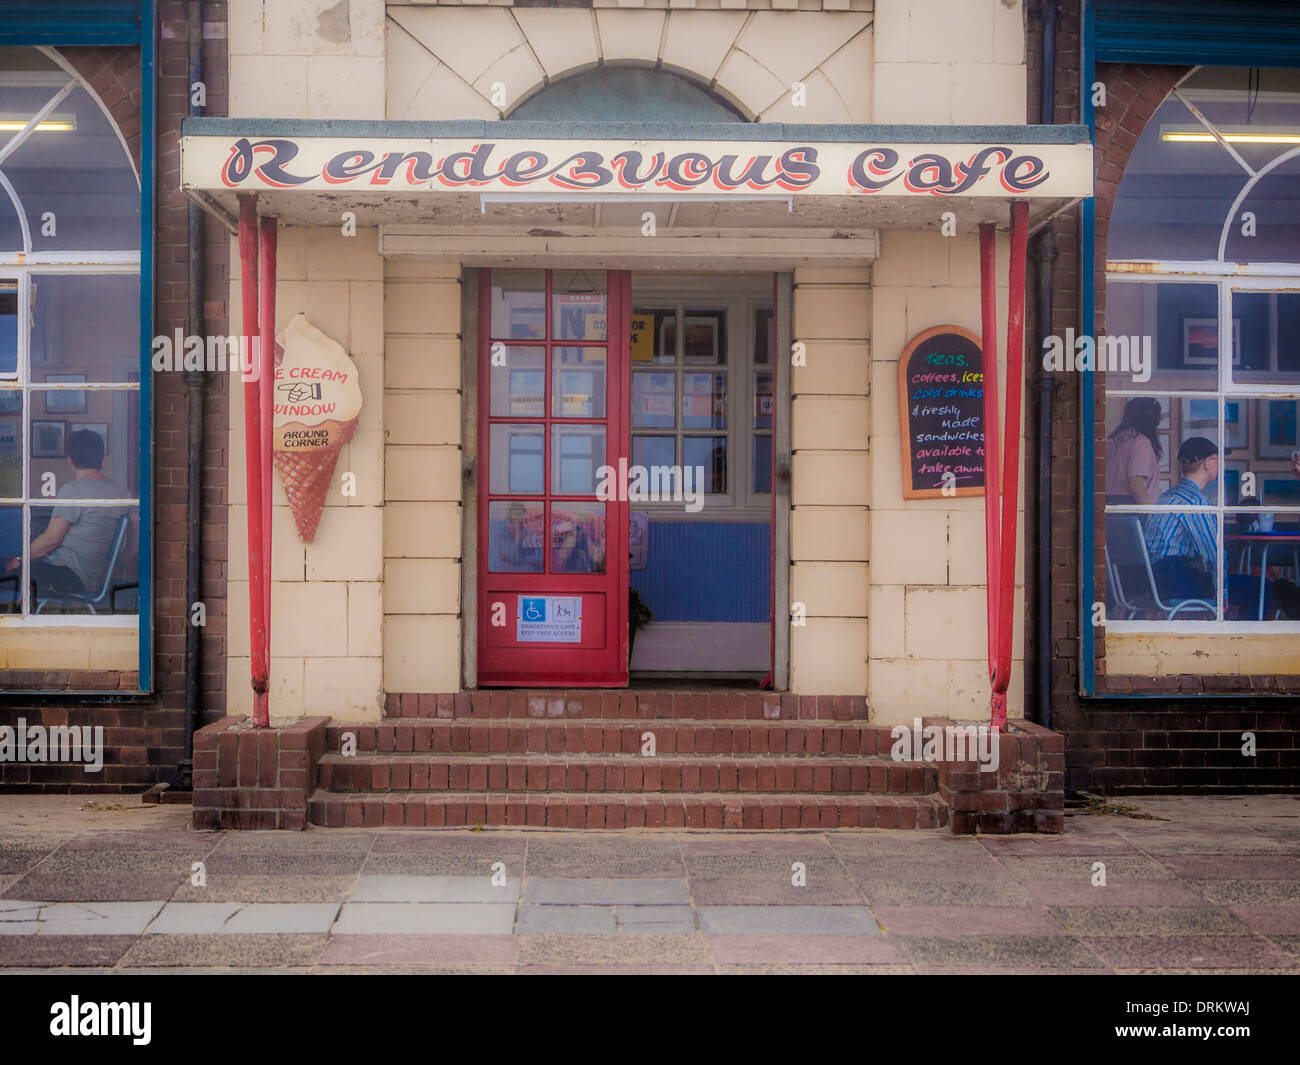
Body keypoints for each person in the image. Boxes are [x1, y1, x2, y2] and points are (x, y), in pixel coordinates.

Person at [1144, 436, 1299, 618]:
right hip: (1176, 581)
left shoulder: (1167, 497)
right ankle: (1244, 643)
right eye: (1219, 460)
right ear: (1208, 463)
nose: (1221, 465)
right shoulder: (1195, 501)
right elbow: (1214, 554)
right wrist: (1223, 593)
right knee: (1260, 587)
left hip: (1153, 581)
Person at [3, 429, 133, 606]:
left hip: (67, 577)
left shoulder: (73, 490)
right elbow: (140, 530)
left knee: (5, 568)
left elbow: (51, 539)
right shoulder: (121, 493)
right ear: (100, 457)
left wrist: (20, 559)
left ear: (70, 459)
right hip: (90, 576)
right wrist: (119, 563)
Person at [1106, 397, 1163, 504]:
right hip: (1132, 506)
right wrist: (1150, 512)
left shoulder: (1113, 440)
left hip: (1109, 503)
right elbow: (1135, 484)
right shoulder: (1140, 442)